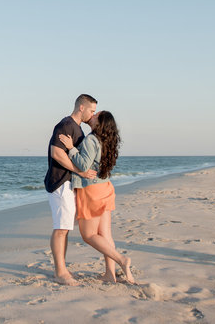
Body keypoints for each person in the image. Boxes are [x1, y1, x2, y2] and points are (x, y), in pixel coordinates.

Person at [57, 110, 135, 284]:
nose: (91, 116)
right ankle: (110, 274)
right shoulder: (107, 140)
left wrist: (70, 148)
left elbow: (83, 165)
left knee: (89, 235)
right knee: (105, 234)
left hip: (91, 191)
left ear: (99, 123)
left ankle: (122, 260)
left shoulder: (92, 139)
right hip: (105, 187)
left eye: (95, 115)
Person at [43, 94, 98, 286]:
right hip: (60, 182)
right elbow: (56, 153)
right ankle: (60, 272)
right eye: (91, 110)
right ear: (81, 107)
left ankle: (62, 268)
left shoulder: (78, 128)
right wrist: (80, 172)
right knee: (61, 228)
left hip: (69, 183)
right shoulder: (66, 125)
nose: (93, 114)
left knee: (65, 227)